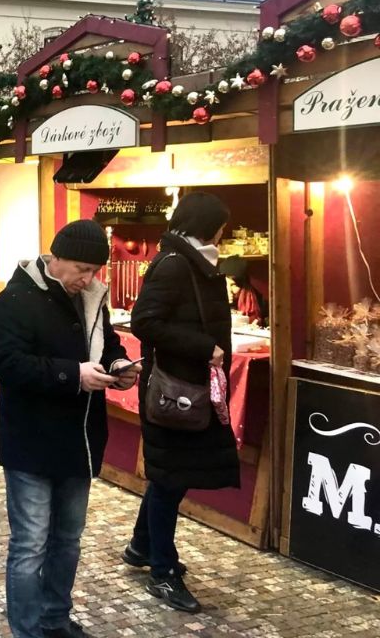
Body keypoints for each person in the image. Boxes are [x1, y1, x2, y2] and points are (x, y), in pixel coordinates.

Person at [0, 219, 137, 638]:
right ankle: (28, 629)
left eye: (94, 271)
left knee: (68, 540)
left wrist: (118, 366)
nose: (88, 279)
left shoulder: (91, 298)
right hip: (31, 442)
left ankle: (55, 618)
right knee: (31, 544)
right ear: (56, 258)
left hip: (79, 441)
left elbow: (106, 345)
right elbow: (7, 365)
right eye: (81, 269)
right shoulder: (13, 300)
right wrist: (73, 375)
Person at [126, 192, 238, 614]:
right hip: (174, 391)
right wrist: (203, 346)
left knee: (170, 475)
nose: (225, 233)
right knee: (171, 479)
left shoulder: (197, 261)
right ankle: (163, 572)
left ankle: (142, 546)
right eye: (223, 225)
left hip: (190, 388)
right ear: (210, 226)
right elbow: (146, 322)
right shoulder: (176, 264)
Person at [219, 255, 268, 327]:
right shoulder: (215, 301)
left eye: (233, 285)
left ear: (243, 285)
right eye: (224, 284)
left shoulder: (259, 302)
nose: (229, 290)